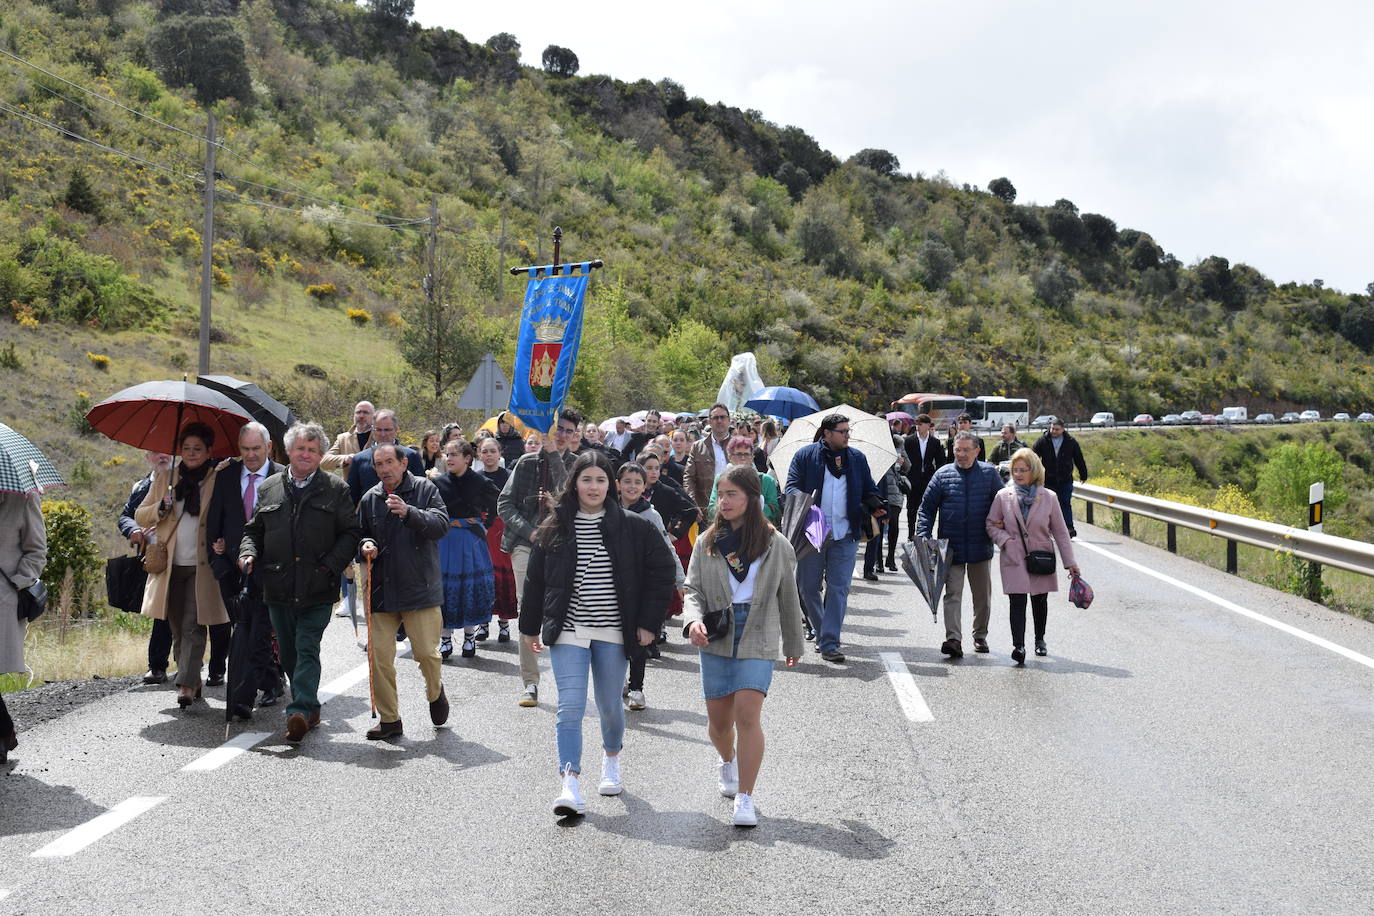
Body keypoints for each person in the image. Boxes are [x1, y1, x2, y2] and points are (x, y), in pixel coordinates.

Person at [520, 451, 676, 817]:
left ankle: (612, 760)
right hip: (569, 629)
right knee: (570, 706)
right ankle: (570, 782)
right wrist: (529, 628)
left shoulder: (634, 526)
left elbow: (663, 570)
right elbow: (536, 580)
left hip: (613, 632)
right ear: (575, 483)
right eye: (587, 479)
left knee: (609, 706)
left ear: (613, 485)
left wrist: (648, 624)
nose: (594, 486)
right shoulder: (555, 525)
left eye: (601, 480)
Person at [684, 464, 804, 827]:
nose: (724, 501)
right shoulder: (707, 542)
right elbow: (691, 590)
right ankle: (727, 760)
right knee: (719, 725)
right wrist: (693, 621)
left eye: (732, 493)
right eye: (721, 494)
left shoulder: (775, 543)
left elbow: (789, 595)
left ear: (753, 498)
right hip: (717, 633)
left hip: (759, 631)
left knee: (748, 716)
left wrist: (793, 641)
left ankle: (746, 797)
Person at [240, 423, 362, 744]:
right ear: (288, 451)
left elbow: (350, 533)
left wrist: (329, 567)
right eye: (300, 449)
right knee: (289, 654)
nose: (305, 454)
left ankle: (298, 711)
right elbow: (254, 530)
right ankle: (310, 704)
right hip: (277, 586)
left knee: (307, 646)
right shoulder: (269, 488)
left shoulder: (336, 490)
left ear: (321, 455)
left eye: (312, 450)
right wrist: (248, 554)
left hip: (318, 587)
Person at [357, 444, 451, 740]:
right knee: (379, 658)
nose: (384, 469)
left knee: (426, 654)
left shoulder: (425, 489)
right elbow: (358, 535)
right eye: (378, 464)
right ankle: (390, 720)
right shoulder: (370, 498)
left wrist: (409, 512)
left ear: (403, 463)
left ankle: (435, 692)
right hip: (382, 590)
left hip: (418, 588)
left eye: (389, 462)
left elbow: (441, 525)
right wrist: (364, 546)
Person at [134, 423, 229, 709]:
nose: (191, 453)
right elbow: (141, 514)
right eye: (186, 448)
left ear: (209, 451)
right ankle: (192, 677)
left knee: (192, 625)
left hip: (202, 567)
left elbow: (225, 515)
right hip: (169, 565)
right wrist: (161, 506)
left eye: (197, 449)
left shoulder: (217, 477)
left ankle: (186, 683)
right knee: (176, 627)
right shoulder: (166, 478)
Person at [783, 413, 883, 664]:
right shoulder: (805, 456)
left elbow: (869, 488)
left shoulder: (857, 459)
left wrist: (877, 503)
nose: (848, 435)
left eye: (848, 431)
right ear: (827, 433)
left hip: (845, 533)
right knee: (807, 588)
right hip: (812, 534)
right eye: (843, 431)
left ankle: (828, 642)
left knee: (839, 589)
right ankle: (821, 631)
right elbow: (791, 487)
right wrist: (808, 504)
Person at [205, 422, 284, 718]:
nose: (250, 455)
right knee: (245, 631)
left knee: (254, 634)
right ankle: (272, 681)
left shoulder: (282, 477)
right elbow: (214, 522)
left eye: (256, 449)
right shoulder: (225, 475)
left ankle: (241, 702)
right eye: (245, 449)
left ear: (268, 447)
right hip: (230, 569)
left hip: (268, 570)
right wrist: (217, 563)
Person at [497, 417, 572, 707]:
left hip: (563, 546)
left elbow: (573, 497)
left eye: (567, 431)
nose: (562, 435)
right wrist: (529, 531)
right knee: (527, 603)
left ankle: (569, 678)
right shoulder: (526, 462)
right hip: (526, 543)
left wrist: (554, 456)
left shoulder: (579, 465)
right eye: (557, 430)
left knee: (564, 607)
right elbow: (504, 504)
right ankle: (530, 682)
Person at [986, 449, 1079, 663]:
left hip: (1041, 555)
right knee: (1016, 601)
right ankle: (1018, 646)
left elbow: (1061, 532)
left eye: (1023, 470)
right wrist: (1005, 540)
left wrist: (1070, 563)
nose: (1017, 474)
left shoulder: (1049, 497)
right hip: (1014, 556)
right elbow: (991, 524)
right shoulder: (1003, 496)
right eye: (1014, 470)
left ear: (1034, 471)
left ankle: (1040, 639)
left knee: (1039, 600)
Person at [917, 431, 1004, 659]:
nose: (961, 454)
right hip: (951, 547)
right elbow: (926, 508)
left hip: (980, 546)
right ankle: (953, 639)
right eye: (958, 449)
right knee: (952, 594)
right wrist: (922, 534)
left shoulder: (989, 474)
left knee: (982, 597)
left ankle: (980, 635)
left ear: (977, 451)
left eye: (966, 450)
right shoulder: (942, 475)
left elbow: (1004, 505)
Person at [617, 461, 685, 711]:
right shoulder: (608, 510)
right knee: (616, 637)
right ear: (618, 484)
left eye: (637, 482)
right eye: (627, 481)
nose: (632, 486)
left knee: (639, 638)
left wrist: (680, 580)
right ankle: (620, 680)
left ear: (644, 486)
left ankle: (637, 688)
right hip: (615, 584)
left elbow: (667, 549)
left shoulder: (650, 514)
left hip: (641, 584)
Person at [431, 440, 499, 660]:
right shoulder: (439, 483)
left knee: (470, 587)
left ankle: (470, 637)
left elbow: (497, 504)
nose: (449, 458)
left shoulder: (481, 482)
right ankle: (445, 639)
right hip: (445, 541)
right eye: (447, 454)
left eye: (454, 454)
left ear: (467, 458)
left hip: (471, 541)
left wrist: (484, 526)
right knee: (444, 588)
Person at [118, 451, 177, 685]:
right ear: (147, 457)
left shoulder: (184, 479)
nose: (161, 455)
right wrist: (134, 530)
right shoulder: (141, 486)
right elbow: (125, 516)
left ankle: (198, 666)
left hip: (180, 552)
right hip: (153, 556)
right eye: (155, 451)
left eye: (166, 450)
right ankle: (158, 666)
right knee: (160, 610)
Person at [0, 489, 46, 765]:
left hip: (3, 596)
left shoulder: (23, 499)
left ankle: (3, 734)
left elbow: (37, 550)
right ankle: (5, 731)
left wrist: (18, 582)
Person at [475, 437, 517, 636]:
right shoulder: (474, 478)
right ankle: (482, 622)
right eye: (485, 451)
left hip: (503, 529)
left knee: (503, 576)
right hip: (481, 530)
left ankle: (504, 623)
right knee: (483, 575)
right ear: (479, 454)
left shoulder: (510, 476)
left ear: (500, 453)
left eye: (493, 451)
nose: (489, 455)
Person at [346, 409, 426, 505]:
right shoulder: (359, 459)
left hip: (407, 515)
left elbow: (421, 493)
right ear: (372, 429)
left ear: (396, 429)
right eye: (378, 430)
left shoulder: (411, 456)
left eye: (387, 430)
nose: (383, 434)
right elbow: (352, 499)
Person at [1033, 418, 1089, 538]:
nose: (1054, 431)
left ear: (1063, 429)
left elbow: (1079, 459)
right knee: (1047, 505)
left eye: (1057, 429)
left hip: (1065, 479)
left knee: (1065, 503)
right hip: (1048, 479)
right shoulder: (1043, 441)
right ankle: (1046, 528)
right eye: (1052, 428)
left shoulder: (1071, 442)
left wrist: (1083, 475)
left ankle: (1069, 528)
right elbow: (1033, 457)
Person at [708, 436, 781, 523]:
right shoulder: (720, 479)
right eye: (738, 454)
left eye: (746, 454)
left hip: (758, 530)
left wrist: (753, 507)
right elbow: (712, 510)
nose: (743, 458)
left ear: (752, 457)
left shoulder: (766, 481)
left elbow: (775, 512)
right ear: (729, 457)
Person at [863, 454, 907, 581]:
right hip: (856, 502)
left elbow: (883, 487)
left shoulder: (879, 459)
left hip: (874, 501)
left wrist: (885, 509)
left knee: (874, 536)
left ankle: (869, 568)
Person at [684, 403, 734, 512]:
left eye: (722, 417)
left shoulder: (738, 446)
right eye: (715, 417)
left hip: (734, 506)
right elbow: (689, 477)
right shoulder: (697, 447)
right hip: (706, 508)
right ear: (710, 421)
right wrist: (693, 504)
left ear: (729, 420)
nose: (719, 421)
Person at [903, 414, 946, 540]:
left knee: (928, 508)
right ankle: (911, 535)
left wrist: (936, 477)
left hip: (928, 480)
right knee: (911, 508)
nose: (918, 427)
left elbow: (940, 461)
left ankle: (926, 535)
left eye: (921, 424)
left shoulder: (935, 442)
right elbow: (905, 459)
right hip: (912, 479)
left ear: (928, 426)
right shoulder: (909, 441)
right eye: (917, 424)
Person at [321, 400, 374, 471]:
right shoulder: (343, 439)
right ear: (354, 416)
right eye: (358, 412)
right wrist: (345, 459)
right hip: (350, 482)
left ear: (373, 416)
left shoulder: (381, 435)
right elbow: (323, 461)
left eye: (365, 412)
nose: (361, 416)